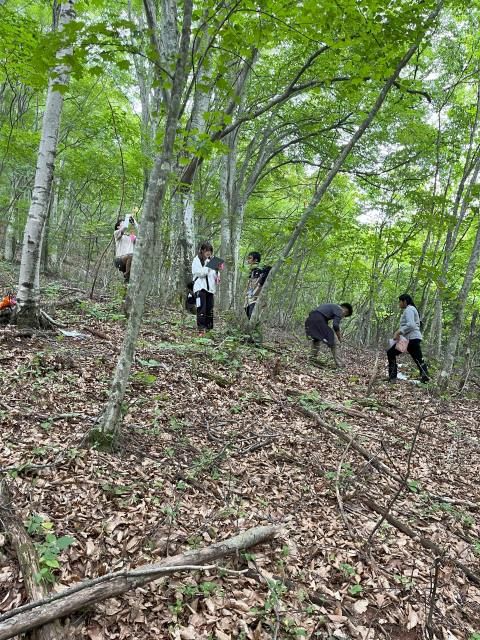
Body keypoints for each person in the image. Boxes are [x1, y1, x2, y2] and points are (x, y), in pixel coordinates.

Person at [387, 293, 429, 383]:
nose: (399, 304)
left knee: (391, 353)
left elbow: (411, 324)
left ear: (404, 301)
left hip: (410, 339)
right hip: (413, 338)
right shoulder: (412, 309)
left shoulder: (409, 309)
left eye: (400, 302)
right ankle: (425, 378)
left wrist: (398, 332)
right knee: (418, 358)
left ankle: (392, 377)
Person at [305, 302, 353, 367]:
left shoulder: (330, 306)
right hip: (318, 320)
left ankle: (312, 359)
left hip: (310, 320)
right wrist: (339, 337)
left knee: (316, 339)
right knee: (335, 342)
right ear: (345, 310)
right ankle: (340, 364)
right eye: (345, 315)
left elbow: (315, 313)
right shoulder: (339, 309)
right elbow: (335, 325)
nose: (343, 316)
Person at [192, 242, 218, 333]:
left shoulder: (212, 261)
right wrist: (208, 265)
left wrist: (217, 277)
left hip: (210, 290)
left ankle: (209, 330)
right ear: (202, 251)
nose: (208, 253)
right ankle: (201, 330)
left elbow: (214, 275)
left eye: (210, 251)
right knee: (201, 309)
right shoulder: (197, 260)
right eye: (207, 250)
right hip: (200, 288)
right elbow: (200, 273)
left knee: (209, 310)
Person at [244, 252, 271, 319]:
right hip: (249, 296)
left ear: (255, 260)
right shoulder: (252, 270)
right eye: (248, 258)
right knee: (247, 313)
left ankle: (254, 328)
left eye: (250, 258)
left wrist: (259, 284)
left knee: (252, 315)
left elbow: (268, 269)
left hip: (256, 297)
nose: (248, 260)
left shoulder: (261, 269)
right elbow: (250, 283)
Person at [114, 213, 138, 283]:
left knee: (129, 282)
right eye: (123, 223)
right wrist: (127, 217)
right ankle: (127, 276)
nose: (125, 223)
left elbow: (141, 235)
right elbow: (125, 228)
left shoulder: (131, 236)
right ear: (118, 227)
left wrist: (134, 223)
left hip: (130, 261)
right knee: (131, 255)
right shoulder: (117, 234)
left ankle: (126, 283)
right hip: (120, 259)